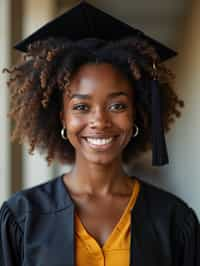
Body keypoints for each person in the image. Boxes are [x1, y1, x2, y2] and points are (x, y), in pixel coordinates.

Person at [0, 2, 199, 266]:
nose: (100, 121)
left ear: (136, 113)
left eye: (117, 106)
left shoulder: (174, 219)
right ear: (62, 117)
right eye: (81, 107)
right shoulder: (22, 216)